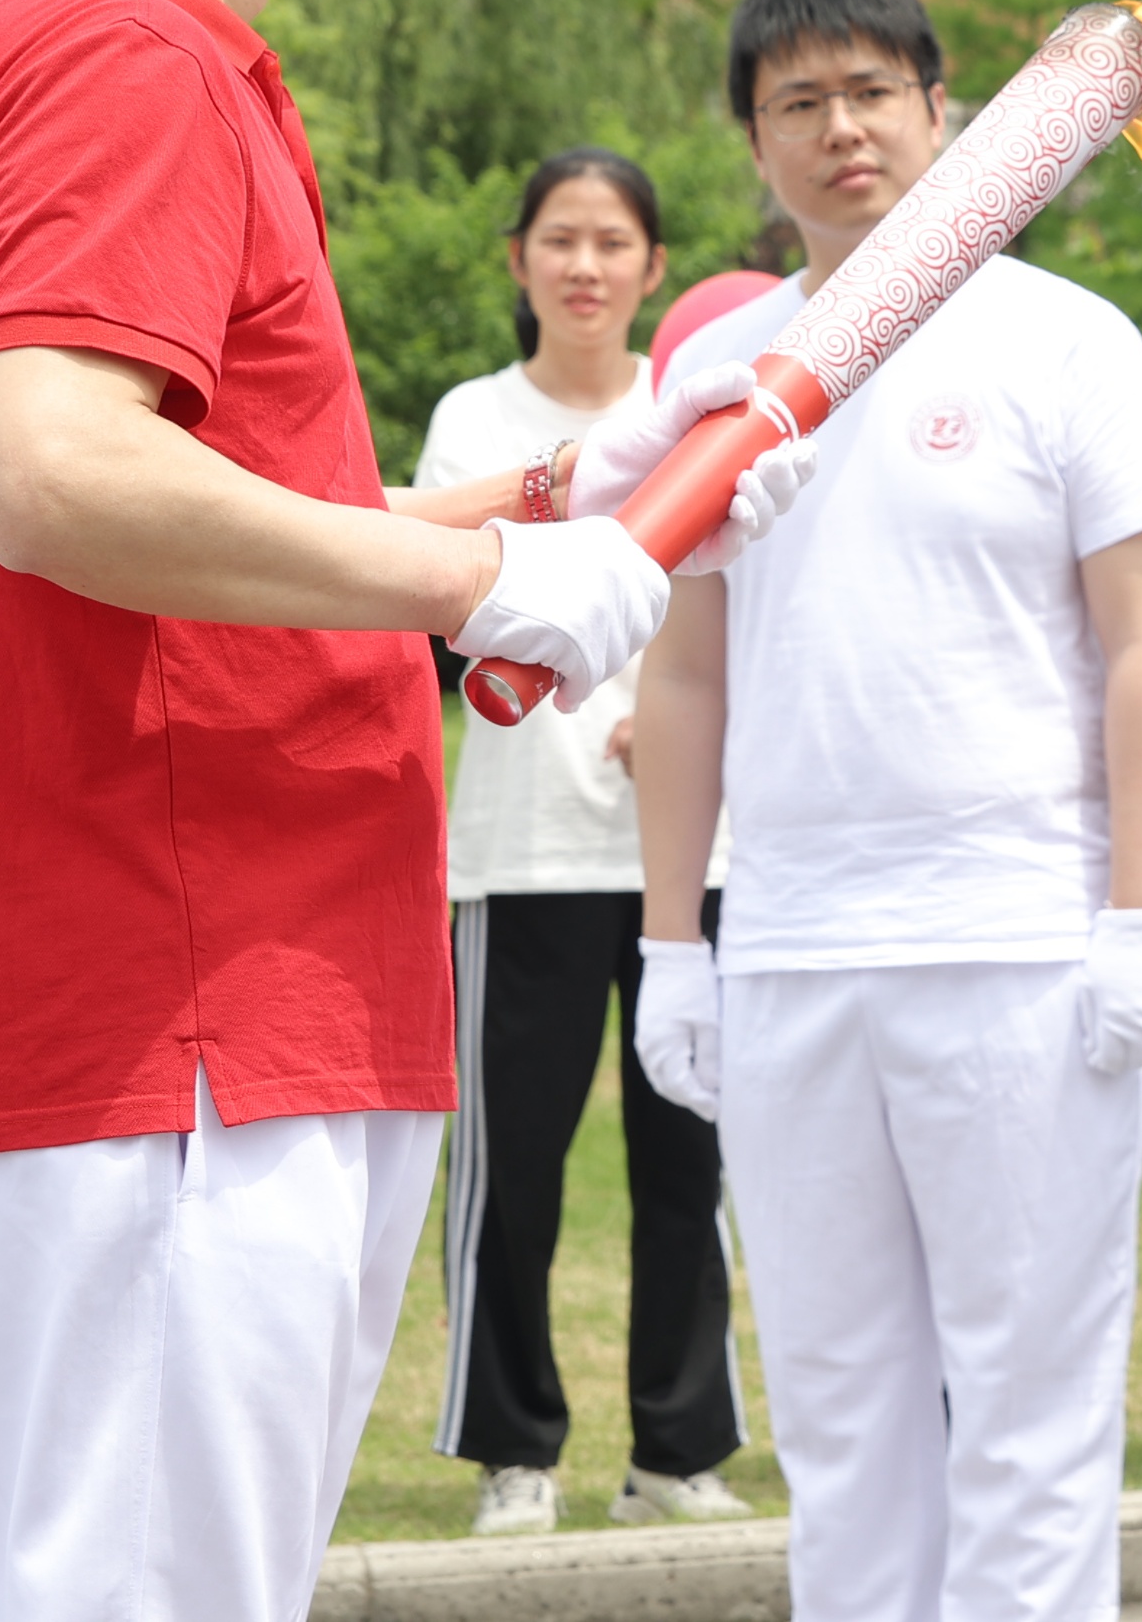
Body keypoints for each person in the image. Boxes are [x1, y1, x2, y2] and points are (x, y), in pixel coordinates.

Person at [0, 0, 799, 1622]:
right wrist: (459, 595)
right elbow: (45, 473)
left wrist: (435, 528)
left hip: (201, 996)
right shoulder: (119, 53)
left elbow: (127, 493)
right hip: (188, 1008)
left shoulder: (85, 45)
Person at [627, 0, 1142, 1622]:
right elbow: (686, 666)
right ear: (754, 142)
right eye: (797, 100)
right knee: (841, 1414)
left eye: (873, 89)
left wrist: (1141, 909)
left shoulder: (1071, 344)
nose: (842, 128)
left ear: (944, 107)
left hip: (1022, 945)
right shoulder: (718, 376)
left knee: (1028, 1415)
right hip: (800, 950)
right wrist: (678, 940)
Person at [414, 150, 752, 1532]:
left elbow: (734, 606)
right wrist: (605, 709)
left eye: (613, 240)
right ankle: (514, 1445)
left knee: (693, 1159)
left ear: (653, 265)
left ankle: (679, 1448)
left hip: (686, 858)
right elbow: (451, 600)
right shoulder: (470, 422)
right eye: (560, 238)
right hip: (523, 851)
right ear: (519, 260)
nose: (586, 265)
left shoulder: (698, 416)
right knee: (515, 1162)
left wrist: (661, 731)